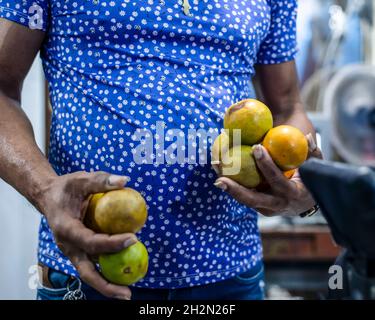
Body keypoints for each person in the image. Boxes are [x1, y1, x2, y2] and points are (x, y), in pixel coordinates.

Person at [0, 0, 319, 300]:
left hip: (231, 269)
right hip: (87, 268)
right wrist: (44, 190)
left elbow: (288, 105)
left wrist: (306, 188)